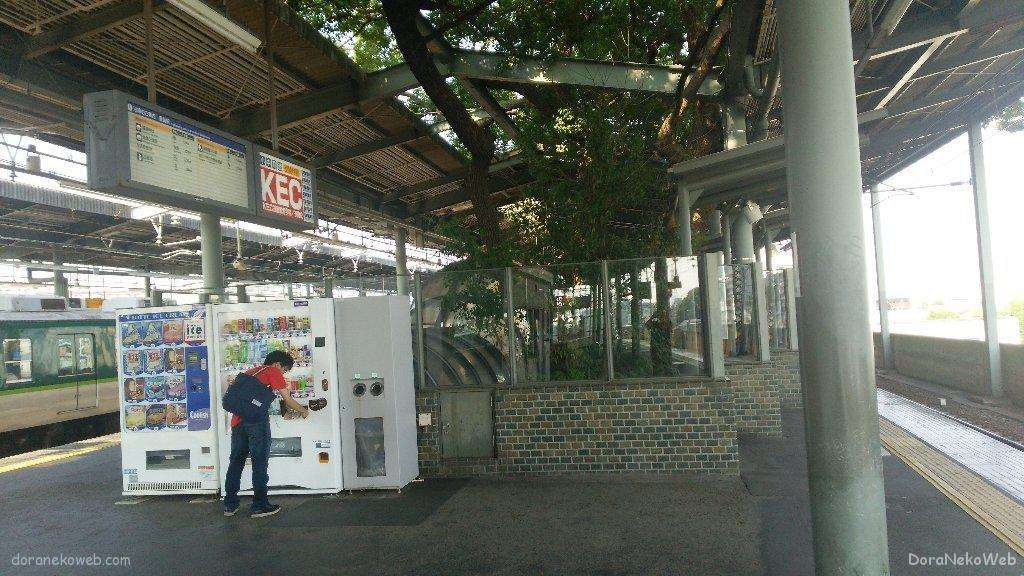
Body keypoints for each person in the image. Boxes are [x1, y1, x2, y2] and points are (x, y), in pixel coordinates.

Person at [223, 350, 309, 518]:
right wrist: (303, 411)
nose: (283, 374)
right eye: (284, 370)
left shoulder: (250, 372)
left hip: (237, 422)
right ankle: (259, 505)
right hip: (256, 423)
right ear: (277, 364)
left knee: (236, 463)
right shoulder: (273, 371)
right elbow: (287, 400)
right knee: (259, 463)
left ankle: (230, 505)